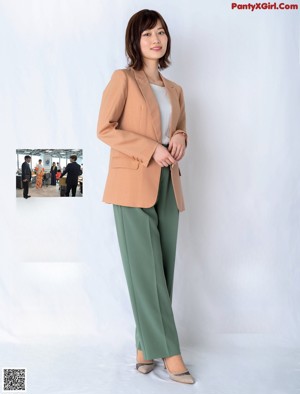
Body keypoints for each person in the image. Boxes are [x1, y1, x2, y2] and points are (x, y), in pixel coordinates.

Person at [97, 9, 194, 384]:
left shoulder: (176, 90)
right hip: (131, 184)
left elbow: (178, 128)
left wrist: (182, 136)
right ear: (135, 41)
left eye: (161, 33)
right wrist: (150, 148)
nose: (156, 40)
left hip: (170, 183)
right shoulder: (123, 80)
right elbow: (105, 129)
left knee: (162, 271)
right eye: (147, 34)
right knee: (146, 272)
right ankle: (170, 353)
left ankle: (144, 345)